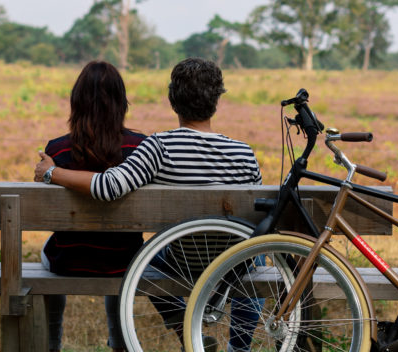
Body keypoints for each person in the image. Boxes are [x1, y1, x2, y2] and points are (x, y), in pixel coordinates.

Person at [35, 57, 262, 351]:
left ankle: (183, 325)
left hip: (183, 259)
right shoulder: (244, 152)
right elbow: (254, 216)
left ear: (172, 101)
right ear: (216, 101)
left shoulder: (159, 147)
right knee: (258, 257)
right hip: (232, 264)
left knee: (140, 256)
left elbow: (109, 186)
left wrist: (51, 172)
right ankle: (238, 348)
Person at [38, 61, 146, 352]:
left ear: (77, 102)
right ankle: (120, 344)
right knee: (121, 255)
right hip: (124, 261)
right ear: (121, 102)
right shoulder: (139, 148)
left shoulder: (56, 151)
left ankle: (52, 343)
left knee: (46, 250)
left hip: (69, 261)